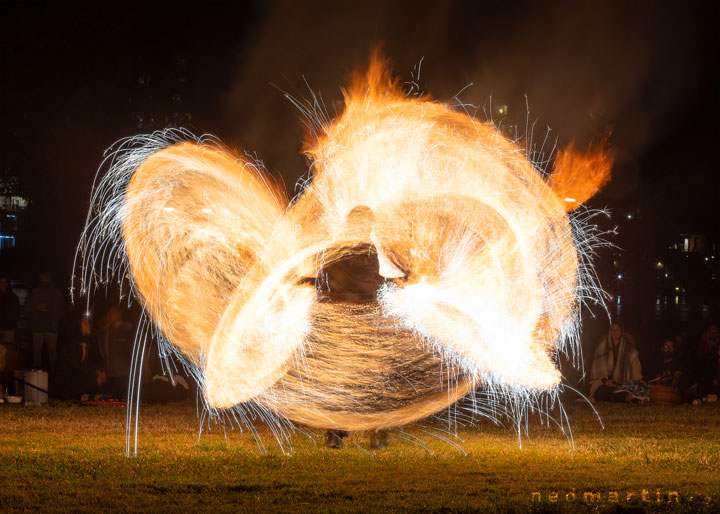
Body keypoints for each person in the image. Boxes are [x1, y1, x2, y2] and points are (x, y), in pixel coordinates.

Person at [589, 321, 646, 402]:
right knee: (601, 393)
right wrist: (605, 382)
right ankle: (617, 397)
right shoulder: (602, 347)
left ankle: (622, 397)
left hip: (623, 383)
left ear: (621, 331)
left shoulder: (629, 349)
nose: (615, 332)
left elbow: (636, 368)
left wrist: (637, 380)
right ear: (609, 331)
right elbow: (596, 370)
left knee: (622, 392)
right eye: (613, 329)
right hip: (605, 383)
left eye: (617, 330)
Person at [25, 272, 65, 374]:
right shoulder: (34, 292)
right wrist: (36, 307)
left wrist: (54, 318)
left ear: (50, 279)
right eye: (42, 278)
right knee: (37, 352)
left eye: (46, 278)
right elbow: (26, 307)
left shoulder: (57, 293)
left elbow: (63, 309)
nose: (44, 280)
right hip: (38, 327)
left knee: (52, 352)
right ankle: (36, 374)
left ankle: (53, 374)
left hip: (51, 328)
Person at [0, 276, 20, 344]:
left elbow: (17, 311)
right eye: (1, 282)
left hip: (9, 328)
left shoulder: (13, 296)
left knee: (9, 349)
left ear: (8, 284)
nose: (3, 284)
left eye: (5, 282)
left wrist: (12, 322)